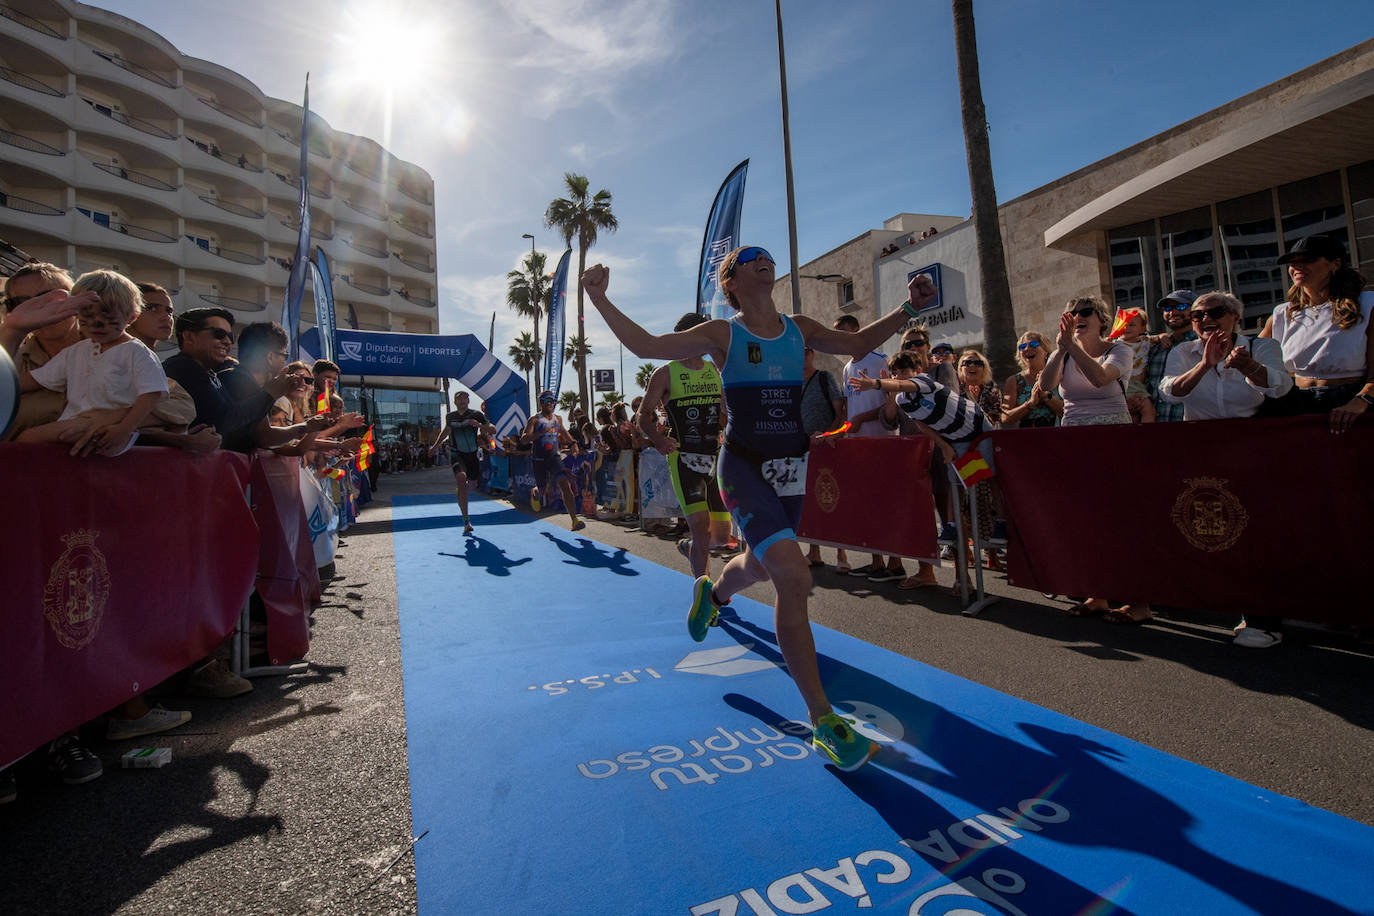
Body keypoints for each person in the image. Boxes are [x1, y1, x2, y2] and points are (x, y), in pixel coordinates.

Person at [582, 246, 939, 771]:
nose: (763, 260)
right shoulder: (722, 334)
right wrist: (597, 297)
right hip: (743, 467)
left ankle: (713, 592)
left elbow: (860, 342)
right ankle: (824, 721)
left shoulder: (800, 327)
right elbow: (647, 344)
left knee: (756, 563)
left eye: (766, 255)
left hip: (791, 469)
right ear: (731, 282)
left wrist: (909, 308)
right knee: (793, 577)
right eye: (750, 258)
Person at [1038, 296, 1148, 623]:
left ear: (1101, 319)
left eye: (1084, 312)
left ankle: (1139, 602)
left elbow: (1101, 378)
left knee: (1120, 523)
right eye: (1072, 313)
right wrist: (1060, 349)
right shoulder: (1066, 352)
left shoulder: (1120, 351)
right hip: (1074, 438)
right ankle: (1097, 594)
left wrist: (1073, 348)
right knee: (1085, 521)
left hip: (1111, 438)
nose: (1077, 317)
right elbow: (1044, 387)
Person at [15, 270, 168, 457]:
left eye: (108, 318)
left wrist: (124, 429)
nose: (97, 324)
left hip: (105, 427)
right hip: (75, 423)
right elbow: (34, 380)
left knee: (28, 438)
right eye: (86, 318)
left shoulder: (135, 351)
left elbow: (152, 394)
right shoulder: (76, 352)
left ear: (131, 317)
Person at [637, 313, 731, 578]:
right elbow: (642, 415)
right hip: (684, 459)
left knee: (721, 537)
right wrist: (658, 440)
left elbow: (726, 411)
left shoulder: (715, 370)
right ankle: (703, 591)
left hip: (715, 457)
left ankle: (691, 547)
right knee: (701, 528)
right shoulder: (665, 373)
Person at [1259, 234, 1373, 433]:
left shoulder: (1367, 304)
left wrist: (1361, 401)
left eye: (1308, 260)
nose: (1297, 267)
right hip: (1296, 402)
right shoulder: (1282, 314)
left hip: (1351, 404)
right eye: (1293, 262)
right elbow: (1253, 358)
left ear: (1335, 264)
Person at [836, 313, 904, 584]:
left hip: (882, 443)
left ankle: (895, 562)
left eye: (844, 332)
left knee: (886, 504)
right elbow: (850, 408)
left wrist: (863, 419)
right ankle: (876, 562)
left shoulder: (879, 361)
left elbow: (892, 399)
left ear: (857, 331)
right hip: (858, 446)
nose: (841, 339)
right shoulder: (846, 368)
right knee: (869, 506)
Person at [1160, 291, 1292, 421]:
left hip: (1253, 434)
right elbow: (1168, 394)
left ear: (1235, 317)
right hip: (1203, 436)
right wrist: (1203, 366)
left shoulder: (1262, 346)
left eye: (1216, 313)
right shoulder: (1182, 351)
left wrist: (1249, 367)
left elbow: (1281, 388)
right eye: (1197, 315)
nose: (1206, 319)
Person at [799, 343, 844, 568]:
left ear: (812, 354)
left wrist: (828, 435)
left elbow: (840, 412)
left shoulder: (825, 378)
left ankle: (841, 555)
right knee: (809, 501)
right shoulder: (791, 383)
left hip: (828, 448)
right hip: (803, 449)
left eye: (806, 351)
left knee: (834, 499)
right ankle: (813, 551)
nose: (803, 355)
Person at [429, 391, 494, 534]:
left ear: (468, 401)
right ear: (455, 402)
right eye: (459, 398)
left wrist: (478, 424)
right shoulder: (450, 417)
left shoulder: (476, 414)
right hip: (456, 453)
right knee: (461, 478)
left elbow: (492, 429)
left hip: (472, 455)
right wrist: (434, 447)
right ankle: (466, 521)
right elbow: (446, 431)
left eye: (465, 398)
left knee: (469, 484)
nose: (462, 400)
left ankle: (461, 490)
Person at [521, 390, 585, 531]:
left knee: (564, 483)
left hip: (553, 456)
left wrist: (573, 443)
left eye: (551, 401)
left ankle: (574, 520)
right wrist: (539, 434)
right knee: (544, 490)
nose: (549, 404)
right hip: (538, 458)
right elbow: (524, 438)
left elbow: (563, 431)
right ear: (540, 403)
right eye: (545, 401)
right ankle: (536, 492)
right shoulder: (535, 419)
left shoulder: (558, 419)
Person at [1144, 290, 1198, 423]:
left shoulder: (1202, 347)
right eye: (1168, 308)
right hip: (1157, 428)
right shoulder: (1157, 348)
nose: (1172, 312)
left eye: (1181, 307)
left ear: (1196, 311)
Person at [1001, 331, 1062, 428]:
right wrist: (1030, 403)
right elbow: (1005, 418)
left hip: (1058, 433)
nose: (1027, 348)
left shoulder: (1058, 375)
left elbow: (1069, 411)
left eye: (1033, 344)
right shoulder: (1014, 381)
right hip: (1028, 436)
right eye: (1022, 347)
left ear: (1045, 351)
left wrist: (1046, 397)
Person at [1108, 308, 1157, 423]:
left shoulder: (1145, 341)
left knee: (1135, 416)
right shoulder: (1115, 344)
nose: (1126, 328)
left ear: (1142, 328)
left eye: (1132, 325)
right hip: (1125, 385)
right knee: (1148, 410)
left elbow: (1159, 337)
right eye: (1124, 324)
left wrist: (1163, 337)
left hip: (1140, 385)